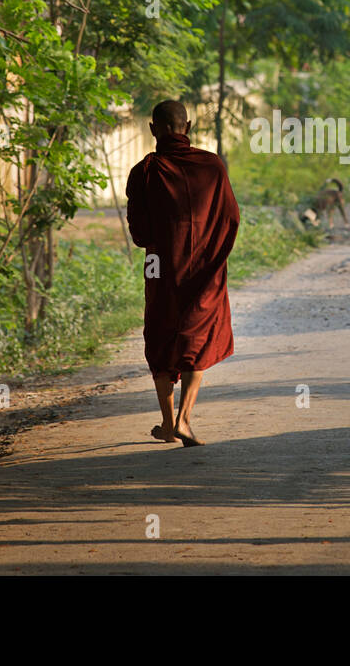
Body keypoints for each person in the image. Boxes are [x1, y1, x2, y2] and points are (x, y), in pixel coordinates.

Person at [126, 100, 240, 447]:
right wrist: (214, 256)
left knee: (161, 332)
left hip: (160, 265)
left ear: (153, 129)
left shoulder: (144, 172)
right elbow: (231, 218)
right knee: (198, 333)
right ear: (187, 127)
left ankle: (166, 421)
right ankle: (184, 420)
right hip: (204, 266)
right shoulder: (212, 166)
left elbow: (139, 233)